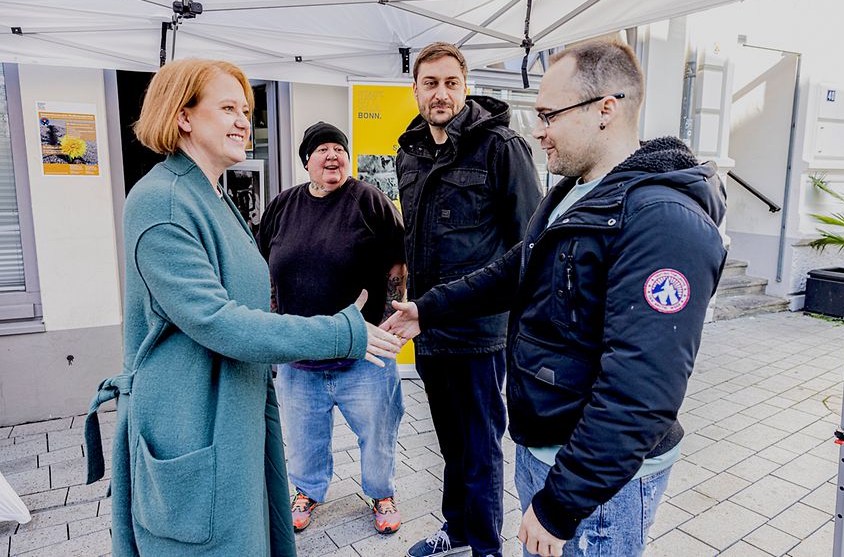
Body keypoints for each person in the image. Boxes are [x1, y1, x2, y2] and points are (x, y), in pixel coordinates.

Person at [384, 39, 727, 557]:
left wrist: (562, 504)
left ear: (605, 110)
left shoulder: (662, 222)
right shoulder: (571, 192)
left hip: (594, 486)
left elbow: (639, 392)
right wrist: (428, 309)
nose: (539, 130)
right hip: (545, 451)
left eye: (549, 115)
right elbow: (512, 268)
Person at [82, 59, 402, 556]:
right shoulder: (161, 200)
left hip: (237, 409)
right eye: (227, 107)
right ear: (182, 115)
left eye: (246, 109)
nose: (242, 121)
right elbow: (218, 320)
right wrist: (341, 331)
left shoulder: (213, 194)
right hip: (193, 421)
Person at [397, 42, 542, 557]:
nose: (440, 93)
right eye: (430, 83)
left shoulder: (501, 146)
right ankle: (456, 532)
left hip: (481, 331)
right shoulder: (409, 151)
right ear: (415, 89)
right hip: (428, 325)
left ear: (465, 85)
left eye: (450, 83)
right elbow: (417, 234)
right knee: (452, 445)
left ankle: (485, 548)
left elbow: (530, 244)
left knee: (480, 449)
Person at [257, 122, 406, 534]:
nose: (332, 156)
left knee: (378, 431)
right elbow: (265, 264)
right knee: (304, 438)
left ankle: (381, 492)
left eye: (338, 149)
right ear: (307, 160)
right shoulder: (283, 205)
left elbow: (397, 261)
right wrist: (272, 320)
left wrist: (392, 317)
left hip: (363, 353)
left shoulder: (368, 200)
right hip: (298, 355)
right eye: (322, 149)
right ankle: (307, 490)